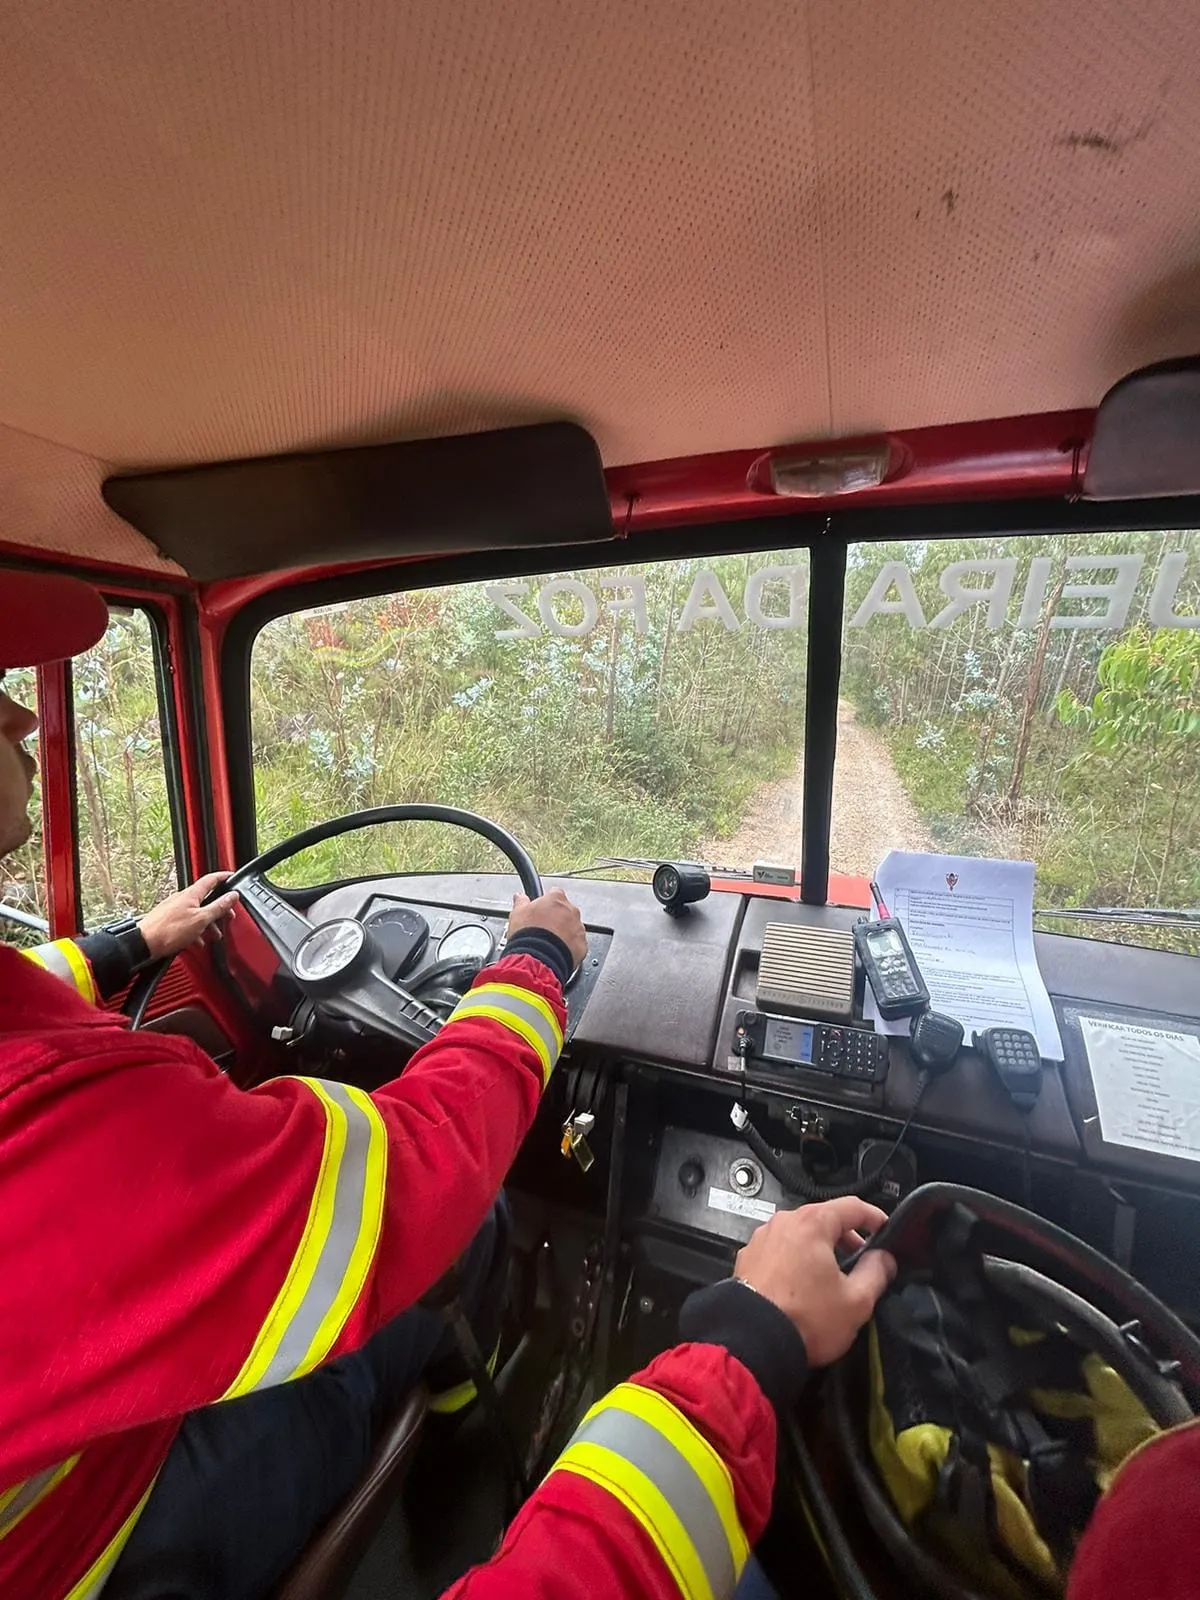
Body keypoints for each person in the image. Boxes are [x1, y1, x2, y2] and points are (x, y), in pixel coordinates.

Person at [1, 570, 588, 1596]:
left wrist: (122, 945)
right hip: (97, 1540)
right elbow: (406, 1182)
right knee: (468, 1225)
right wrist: (534, 975)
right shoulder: (69, 1112)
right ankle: (459, 1463)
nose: (15, 710)